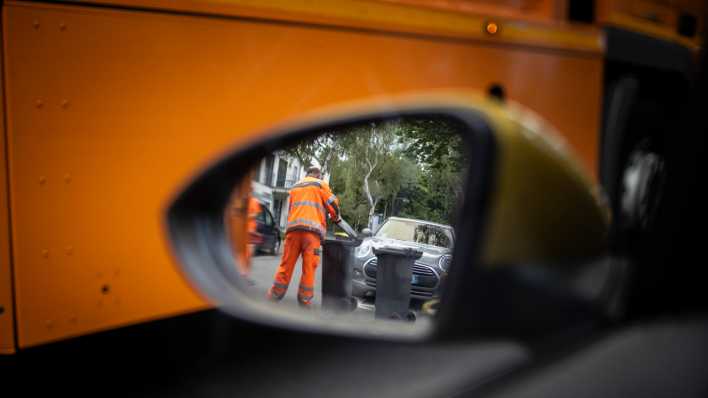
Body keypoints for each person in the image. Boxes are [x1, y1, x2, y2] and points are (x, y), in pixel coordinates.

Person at [267, 165, 341, 307]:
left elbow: (291, 209)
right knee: (309, 267)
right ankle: (304, 299)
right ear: (318, 175)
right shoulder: (320, 184)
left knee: (286, 264)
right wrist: (336, 217)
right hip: (311, 234)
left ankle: (275, 294)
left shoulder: (295, 186)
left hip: (293, 231)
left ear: (307, 174)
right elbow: (333, 203)